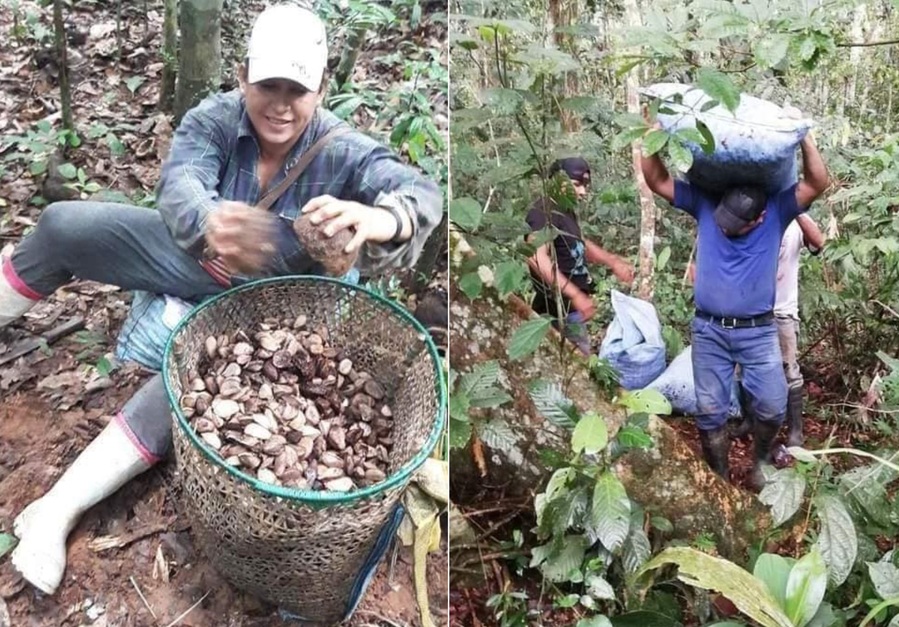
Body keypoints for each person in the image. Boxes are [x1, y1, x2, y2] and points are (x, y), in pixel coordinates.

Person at [1, 3, 441, 595]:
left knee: (186, 380)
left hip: (274, 304)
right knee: (62, 226)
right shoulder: (214, 118)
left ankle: (57, 509)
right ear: (243, 78)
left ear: (321, 89)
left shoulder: (343, 150)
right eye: (267, 86)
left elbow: (417, 192)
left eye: (297, 89)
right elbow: (180, 183)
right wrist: (212, 223)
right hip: (200, 255)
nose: (280, 104)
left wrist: (380, 219)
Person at [640, 119, 828, 490]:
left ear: (757, 218)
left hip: (757, 332)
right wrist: (653, 130)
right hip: (709, 331)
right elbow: (657, 180)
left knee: (773, 406)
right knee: (709, 413)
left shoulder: (776, 211)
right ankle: (721, 480)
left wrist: (803, 135)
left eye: (735, 224)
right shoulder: (706, 204)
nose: (724, 227)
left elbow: (817, 183)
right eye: (722, 220)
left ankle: (759, 462)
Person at [730, 214, 825, 446]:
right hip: (749, 311)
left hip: (782, 312)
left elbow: (818, 242)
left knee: (788, 369)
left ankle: (795, 431)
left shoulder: (794, 223)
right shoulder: (751, 216)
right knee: (743, 370)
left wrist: (799, 210)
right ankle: (750, 421)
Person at [525, 157, 634, 355]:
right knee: (577, 364)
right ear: (556, 181)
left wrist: (613, 261)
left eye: (584, 186)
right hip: (557, 308)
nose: (582, 192)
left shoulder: (564, 211)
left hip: (570, 309)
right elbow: (535, 257)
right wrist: (575, 295)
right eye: (576, 185)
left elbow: (581, 244)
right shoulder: (542, 211)